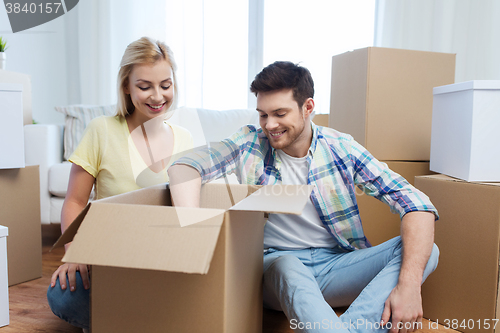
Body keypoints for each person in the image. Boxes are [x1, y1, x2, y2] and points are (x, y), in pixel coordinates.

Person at [167, 61, 439, 333]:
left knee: (425, 251)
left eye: (279, 113)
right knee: (289, 266)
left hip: (335, 265)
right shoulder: (249, 143)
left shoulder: (340, 147)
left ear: (307, 107)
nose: (269, 125)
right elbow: (184, 167)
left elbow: (417, 204)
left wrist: (409, 286)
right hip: (276, 266)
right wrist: (193, 230)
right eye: (262, 115)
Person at [47, 37, 193, 332]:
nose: (157, 96)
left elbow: (190, 214)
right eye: (145, 86)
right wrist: (76, 252)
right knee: (62, 297)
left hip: (159, 262)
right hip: (107, 258)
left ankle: (124, 317)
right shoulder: (101, 130)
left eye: (166, 85)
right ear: (126, 85)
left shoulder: (186, 139)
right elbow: (75, 201)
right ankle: (138, 318)